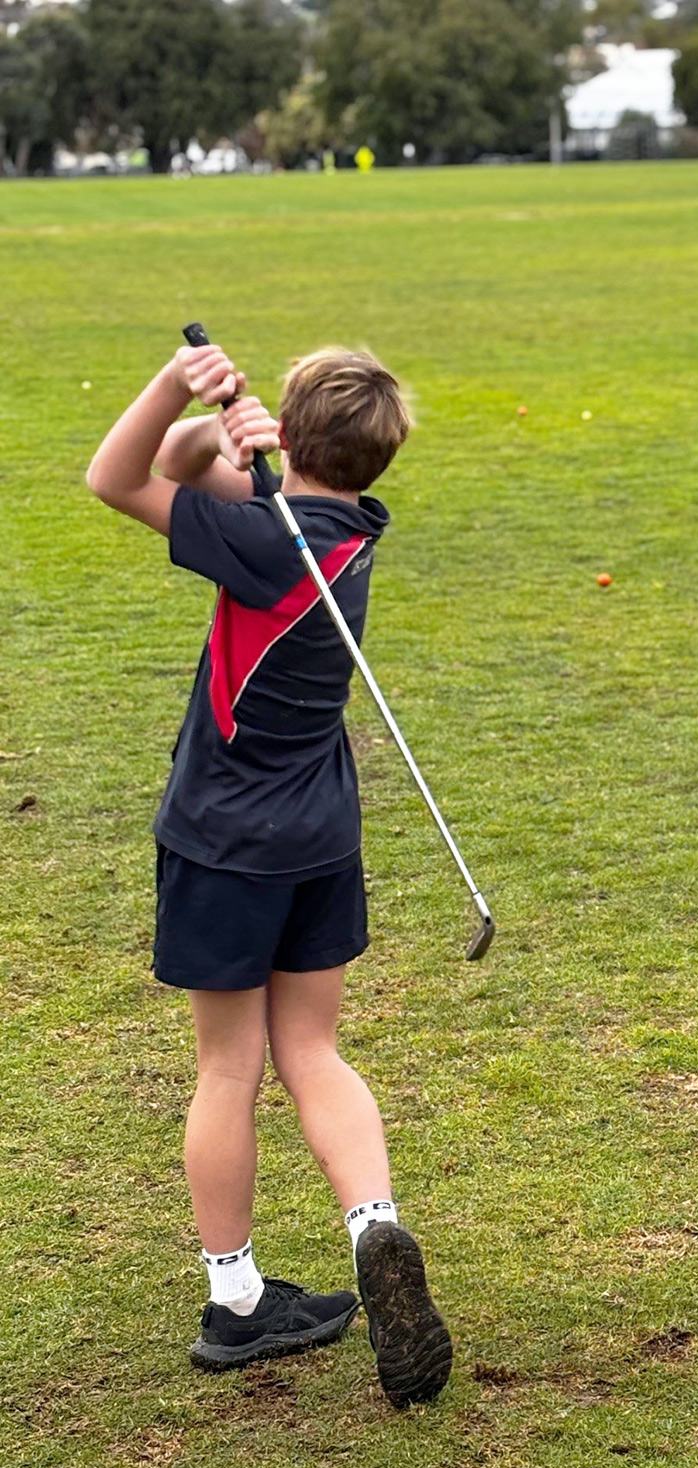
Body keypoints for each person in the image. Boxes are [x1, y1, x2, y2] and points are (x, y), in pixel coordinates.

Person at [86, 340, 453, 1407]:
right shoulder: (345, 529)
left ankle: (237, 1300)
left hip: (223, 843)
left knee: (228, 1069)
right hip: (320, 834)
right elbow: (195, 468)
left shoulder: (260, 540)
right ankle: (375, 1227)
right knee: (313, 1049)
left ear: (288, 435)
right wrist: (222, 429)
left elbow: (115, 476)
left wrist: (176, 384)